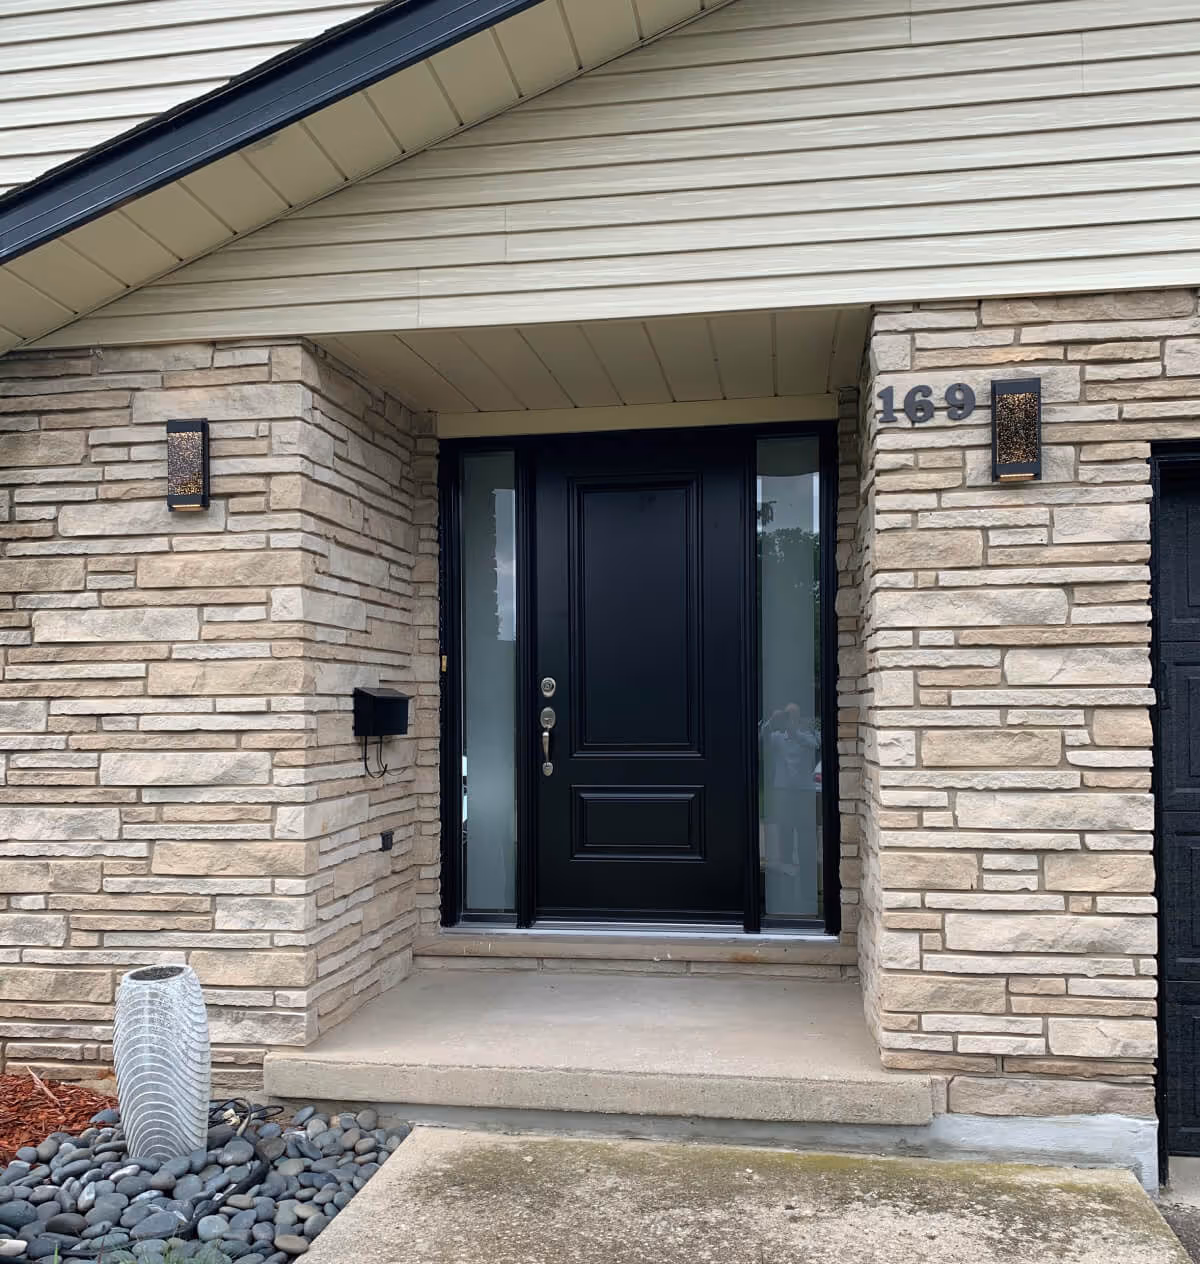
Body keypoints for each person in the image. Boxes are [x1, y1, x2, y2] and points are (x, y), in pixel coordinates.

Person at [760, 703, 820, 917]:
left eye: (793, 714)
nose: (790, 718)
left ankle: (807, 891)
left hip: (803, 791)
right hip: (783, 791)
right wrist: (772, 721)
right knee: (785, 837)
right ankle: (784, 893)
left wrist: (794, 729)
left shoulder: (807, 734)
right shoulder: (777, 736)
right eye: (788, 715)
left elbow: (814, 745)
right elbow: (760, 738)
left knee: (805, 840)